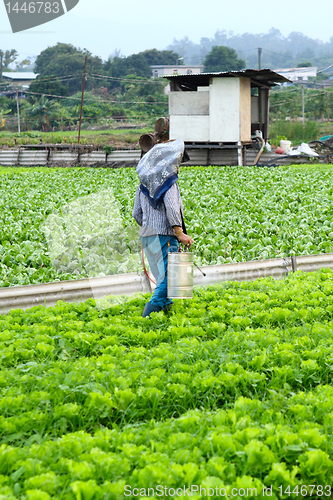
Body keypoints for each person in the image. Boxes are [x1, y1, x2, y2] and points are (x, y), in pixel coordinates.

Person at [132, 137, 193, 317]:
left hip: (147, 236)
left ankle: (166, 317)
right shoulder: (169, 183)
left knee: (162, 279)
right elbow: (173, 209)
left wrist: (149, 227)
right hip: (164, 236)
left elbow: (137, 213)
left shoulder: (144, 184)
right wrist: (179, 233)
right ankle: (148, 316)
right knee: (170, 279)